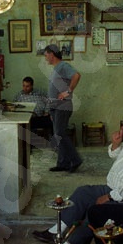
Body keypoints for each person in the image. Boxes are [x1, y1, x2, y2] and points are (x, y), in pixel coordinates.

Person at [35, 112, 123, 244]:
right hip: (111, 188)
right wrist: (115, 144)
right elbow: (116, 155)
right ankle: (56, 232)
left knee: (93, 211)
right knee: (82, 192)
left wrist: (110, 197)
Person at [43, 43, 82, 172]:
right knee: (57, 135)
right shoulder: (56, 68)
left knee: (60, 133)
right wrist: (50, 110)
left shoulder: (63, 66)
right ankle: (62, 163)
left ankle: (75, 160)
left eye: (46, 55)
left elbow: (76, 75)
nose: (45, 58)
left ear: (51, 54)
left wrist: (68, 91)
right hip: (55, 107)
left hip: (63, 106)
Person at [13, 75, 53, 142]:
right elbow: (14, 107)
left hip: (41, 117)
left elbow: (49, 100)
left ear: (32, 86)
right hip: (28, 119)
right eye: (23, 86)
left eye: (27, 86)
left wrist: (46, 111)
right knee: (22, 127)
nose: (25, 88)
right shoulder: (19, 95)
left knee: (53, 120)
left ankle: (55, 143)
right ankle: (27, 145)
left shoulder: (40, 92)